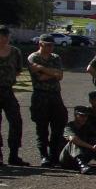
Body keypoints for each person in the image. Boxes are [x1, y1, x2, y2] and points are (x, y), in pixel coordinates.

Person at [27, 34, 68, 167]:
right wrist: (52, 73)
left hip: (55, 95)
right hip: (40, 95)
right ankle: (44, 156)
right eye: (48, 45)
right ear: (40, 44)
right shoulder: (33, 57)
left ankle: (54, 155)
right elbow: (39, 78)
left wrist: (42, 68)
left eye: (52, 45)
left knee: (58, 126)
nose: (51, 47)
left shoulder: (55, 57)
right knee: (42, 127)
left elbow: (60, 75)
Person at [0, 26, 27, 165]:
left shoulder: (15, 52)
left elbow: (18, 70)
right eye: (2, 36)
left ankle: (14, 155)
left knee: (16, 121)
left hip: (7, 90)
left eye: (6, 36)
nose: (4, 39)